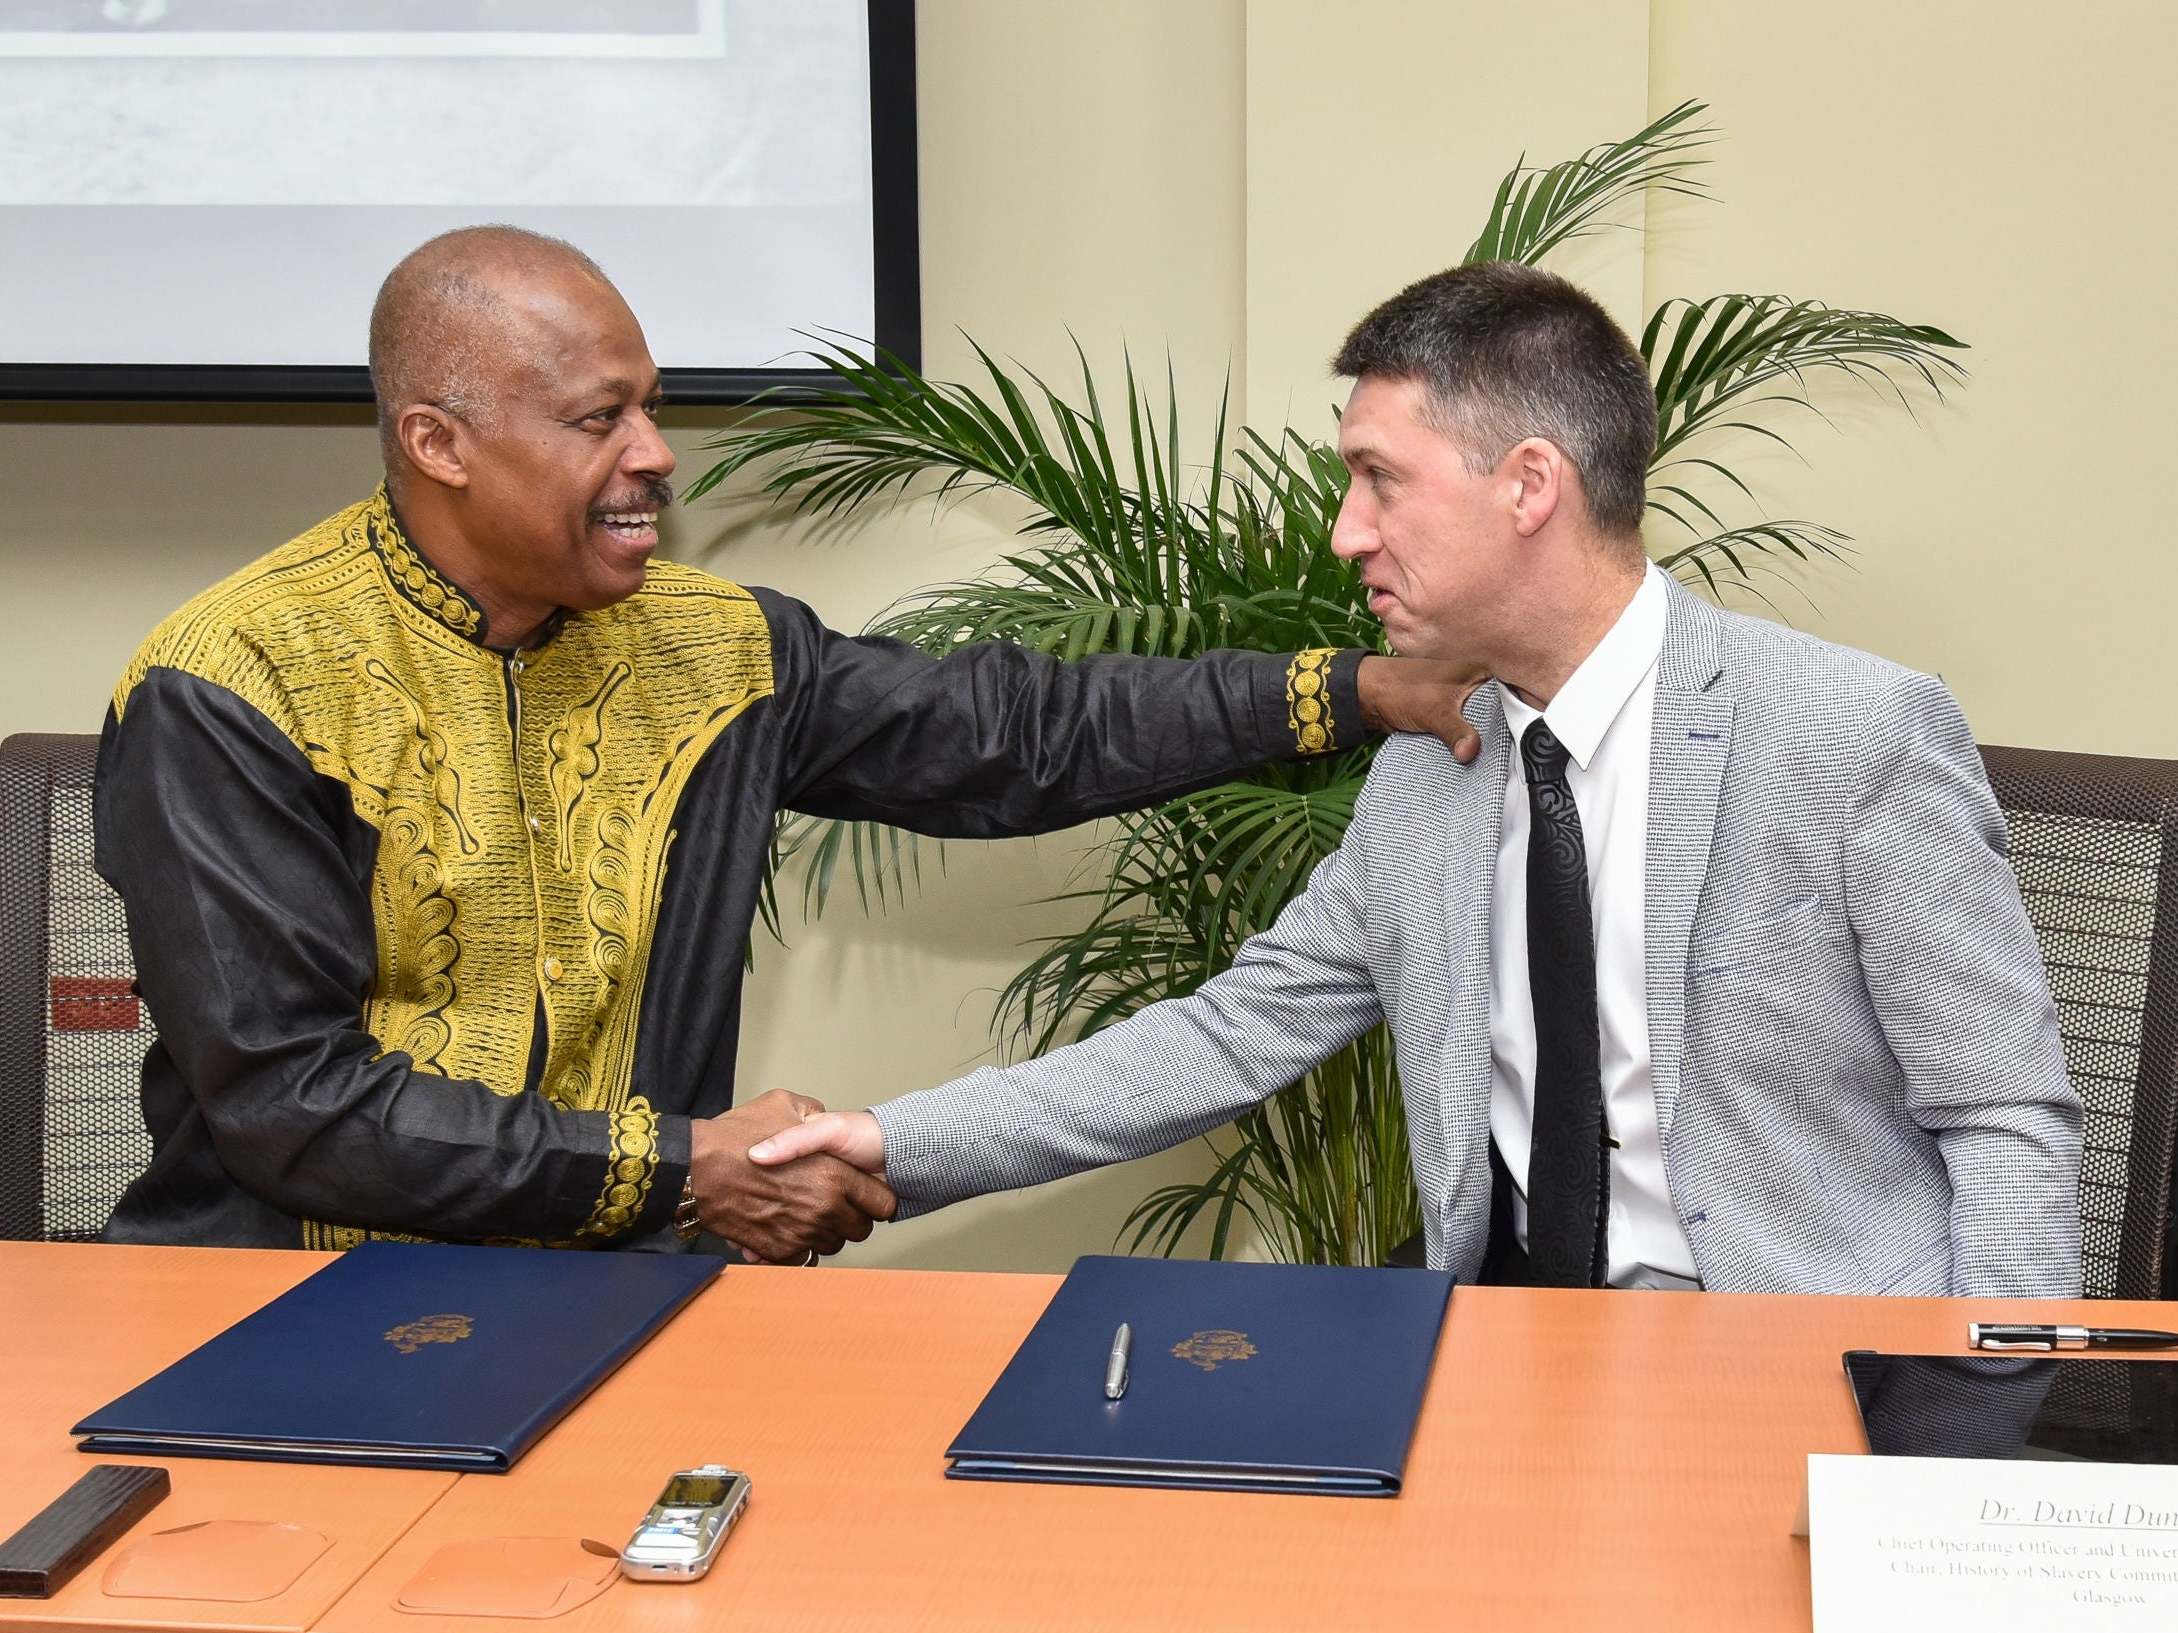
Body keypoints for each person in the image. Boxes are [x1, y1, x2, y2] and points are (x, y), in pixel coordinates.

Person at [94, 225, 1484, 1260]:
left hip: (620, 1298)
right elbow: (295, 1105)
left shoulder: (717, 648)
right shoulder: (237, 682)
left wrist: (1352, 689)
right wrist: (688, 1163)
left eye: (648, 403)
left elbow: (1012, 733)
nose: (655, 454)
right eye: (599, 419)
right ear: (437, 441)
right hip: (273, 1310)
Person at [757, 260, 2084, 1298]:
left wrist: (1957, 1435)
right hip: (1504, 1350)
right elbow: (1225, 1032)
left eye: (1377, 482)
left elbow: (2001, 1113)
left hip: (1798, 1361)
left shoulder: (1849, 732)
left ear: (1526, 486)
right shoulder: (1433, 767)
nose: (1345, 534)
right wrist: (887, 1141)